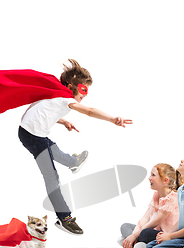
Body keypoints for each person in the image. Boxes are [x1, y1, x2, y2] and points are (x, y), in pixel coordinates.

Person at [18, 59, 132, 235]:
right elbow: (89, 111)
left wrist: (63, 121)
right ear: (71, 86)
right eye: (83, 89)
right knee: (52, 178)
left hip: (32, 133)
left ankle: (73, 162)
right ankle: (64, 218)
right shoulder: (65, 98)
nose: (85, 94)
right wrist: (112, 119)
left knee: (52, 148)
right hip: (32, 136)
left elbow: (44, 112)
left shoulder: (56, 95)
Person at [118, 164, 181, 248]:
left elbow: (155, 222)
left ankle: (131, 242)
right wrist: (133, 235)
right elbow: (145, 218)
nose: (149, 178)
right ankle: (135, 243)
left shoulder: (172, 198)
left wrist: (135, 235)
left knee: (145, 233)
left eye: (153, 175)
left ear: (165, 180)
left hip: (165, 234)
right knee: (125, 226)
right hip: (154, 230)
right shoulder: (156, 195)